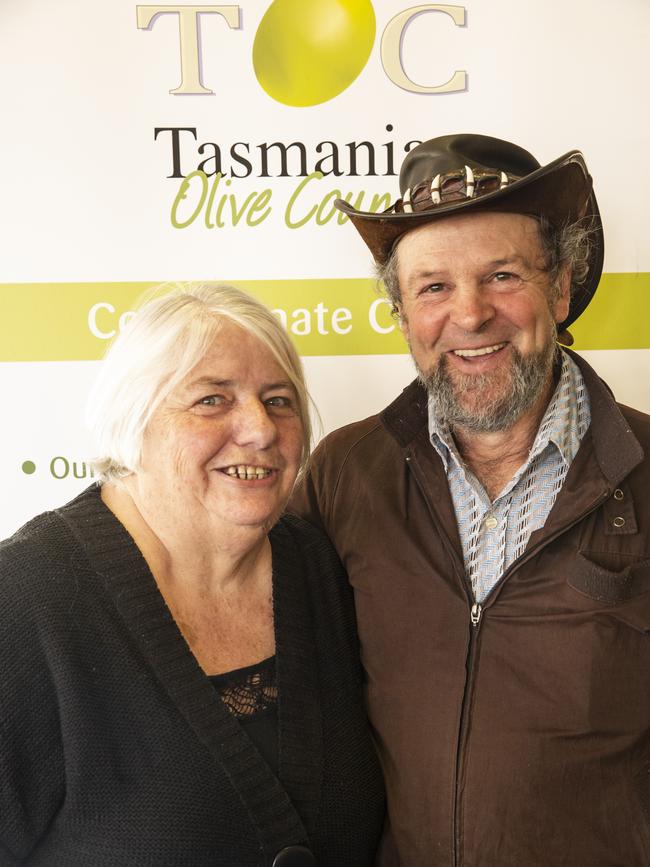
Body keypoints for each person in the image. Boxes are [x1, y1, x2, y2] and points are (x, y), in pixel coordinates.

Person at [291, 134, 650, 866]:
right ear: (400, 313)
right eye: (433, 287)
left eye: (502, 275)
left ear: (559, 287)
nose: (471, 313)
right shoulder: (343, 474)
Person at [0, 284, 384, 866]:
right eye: (212, 400)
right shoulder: (25, 600)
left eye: (279, 399)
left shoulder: (320, 569)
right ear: (135, 420)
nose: (259, 429)